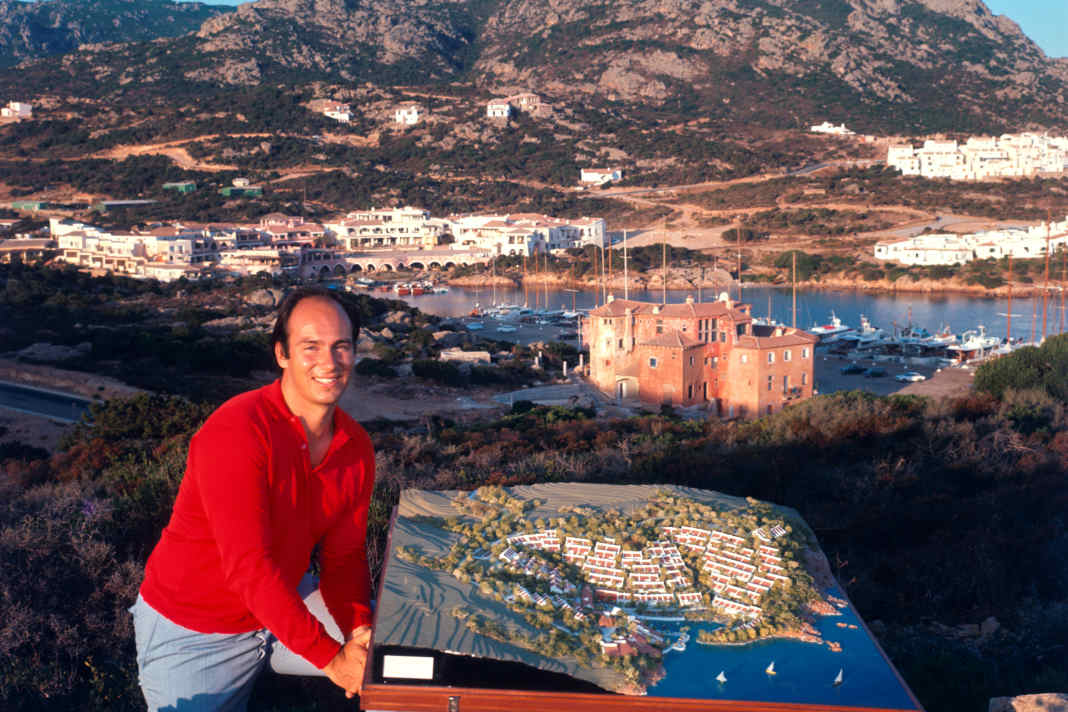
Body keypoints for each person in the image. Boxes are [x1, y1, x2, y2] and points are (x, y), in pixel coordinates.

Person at [131, 287, 376, 710]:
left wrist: (358, 635)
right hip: (197, 629)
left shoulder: (354, 446)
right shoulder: (238, 432)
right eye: (311, 346)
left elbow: (344, 559)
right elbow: (248, 568)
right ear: (281, 353)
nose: (330, 362)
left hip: (284, 601)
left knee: (400, 659)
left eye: (342, 346)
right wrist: (333, 661)